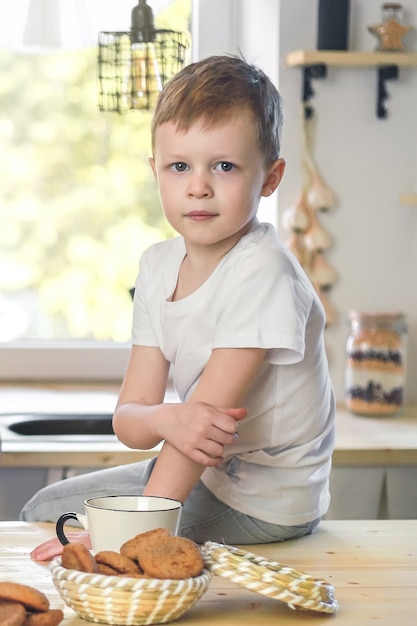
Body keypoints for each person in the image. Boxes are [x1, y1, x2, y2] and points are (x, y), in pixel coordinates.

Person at [22, 54, 335, 561]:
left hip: (268, 501)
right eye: (180, 166)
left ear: (270, 177)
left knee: (66, 526)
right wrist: (166, 418)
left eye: (225, 166)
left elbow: (205, 423)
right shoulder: (158, 266)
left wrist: (126, 540)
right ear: (156, 171)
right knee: (44, 507)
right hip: (203, 472)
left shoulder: (265, 271)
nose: (198, 186)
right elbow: (129, 420)